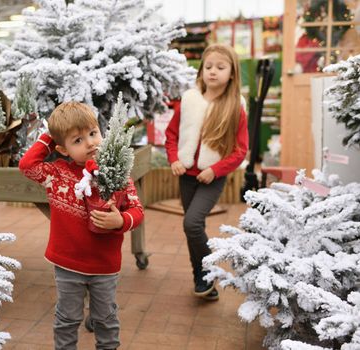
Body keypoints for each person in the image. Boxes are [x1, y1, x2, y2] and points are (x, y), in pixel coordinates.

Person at [19, 101, 144, 350]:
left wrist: (120, 221)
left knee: (105, 319)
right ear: (62, 149)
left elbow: (137, 210)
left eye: (93, 133)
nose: (90, 143)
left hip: (104, 265)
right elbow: (27, 166)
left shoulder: (116, 173)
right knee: (67, 319)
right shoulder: (56, 174)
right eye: (77, 140)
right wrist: (49, 133)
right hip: (68, 264)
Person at [164, 43, 249, 301]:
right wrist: (174, 159)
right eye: (208, 67)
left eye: (220, 67)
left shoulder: (236, 106)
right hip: (186, 175)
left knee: (191, 222)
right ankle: (203, 280)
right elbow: (171, 135)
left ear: (232, 73)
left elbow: (240, 150)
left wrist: (215, 169)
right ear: (201, 71)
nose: (213, 72)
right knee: (193, 227)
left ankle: (206, 276)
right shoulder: (189, 100)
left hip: (212, 177)